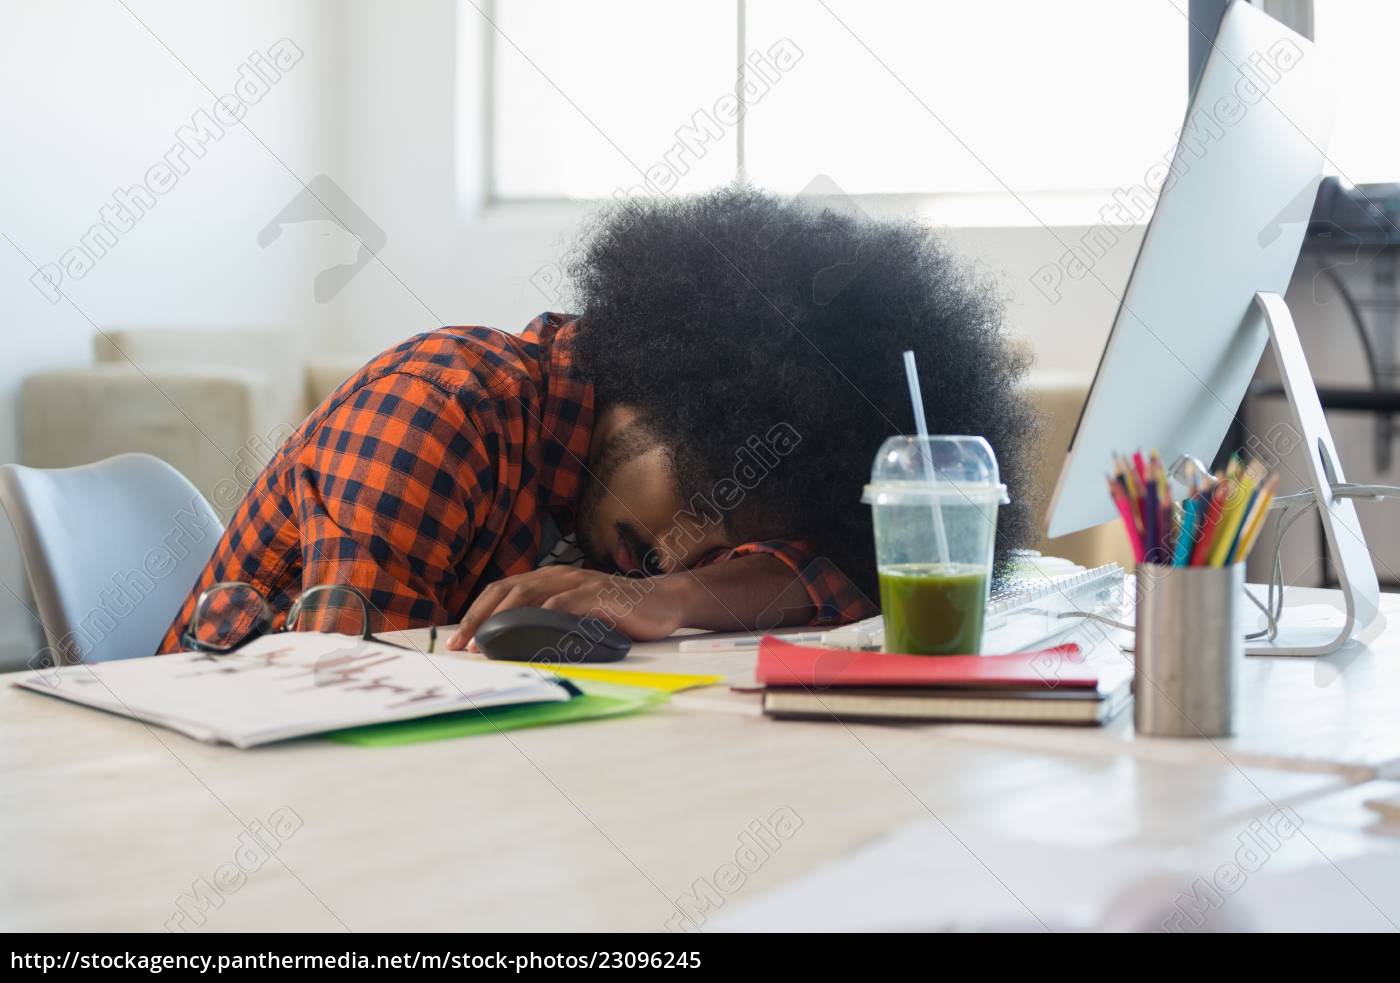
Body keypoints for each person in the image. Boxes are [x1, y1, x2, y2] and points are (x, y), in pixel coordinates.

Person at [157, 186, 1038, 654]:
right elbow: (345, 707)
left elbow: (848, 578)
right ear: (657, 380)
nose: (694, 544)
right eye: (707, 505)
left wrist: (672, 594)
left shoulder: (638, 523)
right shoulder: (438, 415)